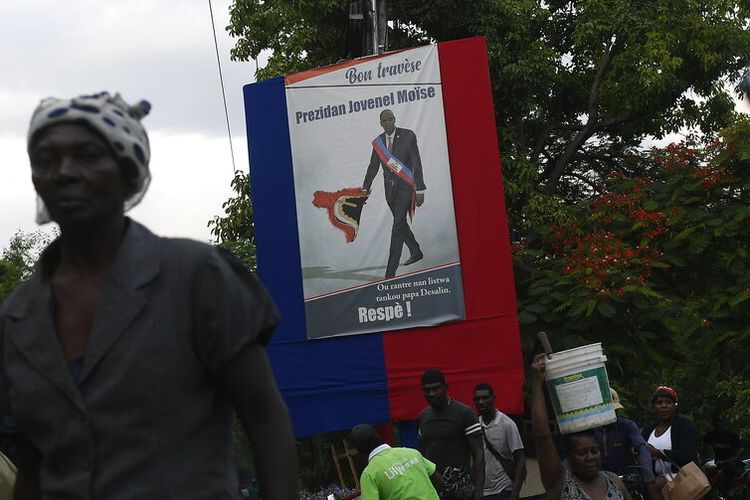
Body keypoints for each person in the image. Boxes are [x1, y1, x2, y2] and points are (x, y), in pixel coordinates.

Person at [0, 92, 297, 499]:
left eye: (88, 155)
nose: (65, 172)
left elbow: (265, 418)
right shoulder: (14, 320)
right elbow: (32, 466)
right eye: (47, 159)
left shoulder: (196, 276)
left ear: (127, 172)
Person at [531, 354, 632, 500]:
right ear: (569, 456)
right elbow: (542, 437)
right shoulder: (560, 482)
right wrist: (537, 382)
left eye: (594, 451)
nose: (590, 457)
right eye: (582, 453)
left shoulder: (614, 480)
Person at [362, 109, 426, 279]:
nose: (389, 122)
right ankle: (416, 250)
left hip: (406, 188)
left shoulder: (408, 136)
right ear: (381, 123)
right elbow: (373, 167)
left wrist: (420, 189)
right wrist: (364, 189)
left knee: (397, 227)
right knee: (400, 223)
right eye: (385, 120)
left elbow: (416, 163)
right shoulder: (379, 143)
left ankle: (390, 273)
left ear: (395, 119)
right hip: (390, 191)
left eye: (391, 119)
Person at [417, 369, 484, 500]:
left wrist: (478, 492)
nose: (431, 394)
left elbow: (479, 454)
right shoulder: (422, 417)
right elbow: (423, 455)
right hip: (433, 490)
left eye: (436, 389)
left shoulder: (465, 413)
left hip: (461, 489)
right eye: (427, 390)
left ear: (445, 387)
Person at [349, 423, 444, 500]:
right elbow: (439, 482)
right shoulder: (412, 453)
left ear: (359, 451)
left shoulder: (369, 474)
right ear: (378, 436)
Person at [642, 386, 698, 500]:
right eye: (659, 403)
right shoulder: (648, 430)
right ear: (654, 406)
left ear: (675, 405)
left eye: (668, 402)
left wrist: (658, 453)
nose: (664, 406)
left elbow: (688, 456)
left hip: (682, 477)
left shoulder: (684, 426)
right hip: (656, 478)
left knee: (652, 485)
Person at [473, 383, 527, 500]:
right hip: (481, 491)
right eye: (477, 399)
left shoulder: (507, 424)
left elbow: (520, 459)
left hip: (503, 489)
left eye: (485, 398)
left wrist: (515, 494)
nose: (481, 402)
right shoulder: (474, 425)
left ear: (493, 398)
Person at [591, 389, 652, 476]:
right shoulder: (590, 431)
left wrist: (648, 473)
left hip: (627, 478)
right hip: (600, 481)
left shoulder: (626, 426)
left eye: (614, 410)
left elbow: (642, 447)